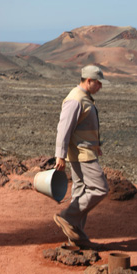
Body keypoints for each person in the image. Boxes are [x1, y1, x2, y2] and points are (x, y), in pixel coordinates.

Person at [53, 64, 110, 248]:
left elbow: (83, 127)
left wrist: (96, 146)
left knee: (80, 192)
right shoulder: (75, 99)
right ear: (89, 80)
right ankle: (67, 217)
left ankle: (76, 239)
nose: (100, 86)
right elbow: (63, 129)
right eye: (98, 83)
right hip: (82, 155)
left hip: (86, 151)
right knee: (99, 188)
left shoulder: (85, 98)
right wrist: (59, 155)